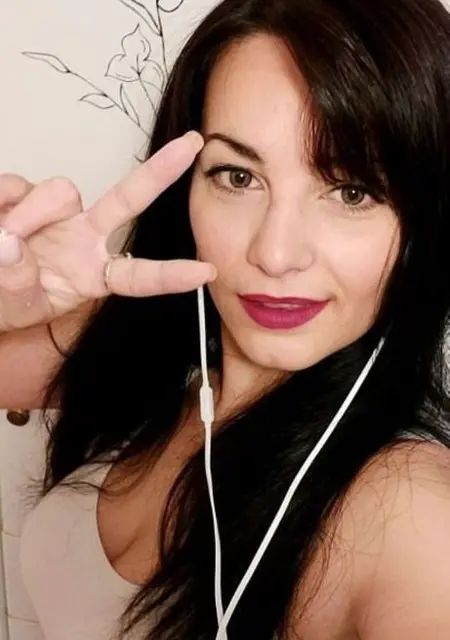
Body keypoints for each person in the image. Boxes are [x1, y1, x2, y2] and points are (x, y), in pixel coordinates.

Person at [1, 0, 450, 637]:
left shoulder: (409, 509)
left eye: (351, 191)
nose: (274, 254)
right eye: (237, 176)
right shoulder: (143, 346)